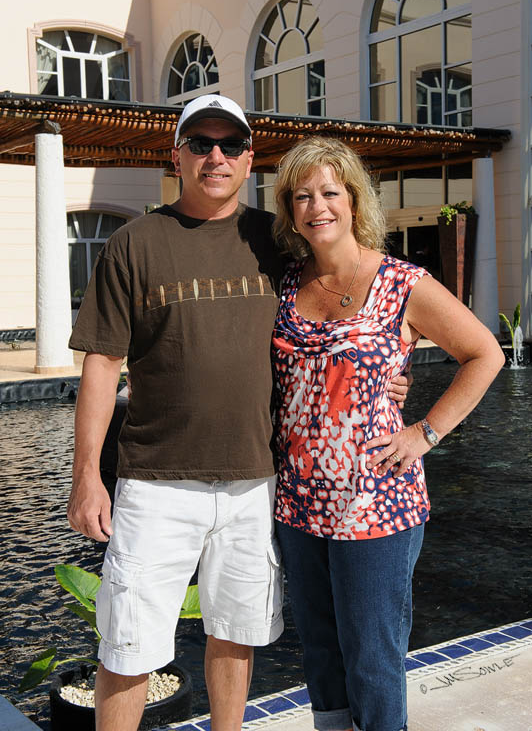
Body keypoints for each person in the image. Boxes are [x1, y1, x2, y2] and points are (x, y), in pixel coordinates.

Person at [66, 95, 410, 731]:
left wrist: (394, 361)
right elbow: (101, 366)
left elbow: (349, 296)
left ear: (251, 158)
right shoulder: (134, 243)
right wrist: (88, 475)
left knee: (236, 632)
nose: (216, 156)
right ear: (177, 156)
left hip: (257, 480)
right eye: (201, 143)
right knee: (128, 643)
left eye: (230, 144)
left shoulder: (277, 240)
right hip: (155, 481)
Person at [270, 136, 505, 731]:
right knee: (321, 651)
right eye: (302, 196)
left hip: (377, 502)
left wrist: (425, 431)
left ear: (353, 201)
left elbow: (484, 353)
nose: (317, 206)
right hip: (299, 502)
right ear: (289, 210)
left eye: (329, 192)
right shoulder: (286, 285)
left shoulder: (401, 282)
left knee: (372, 656)